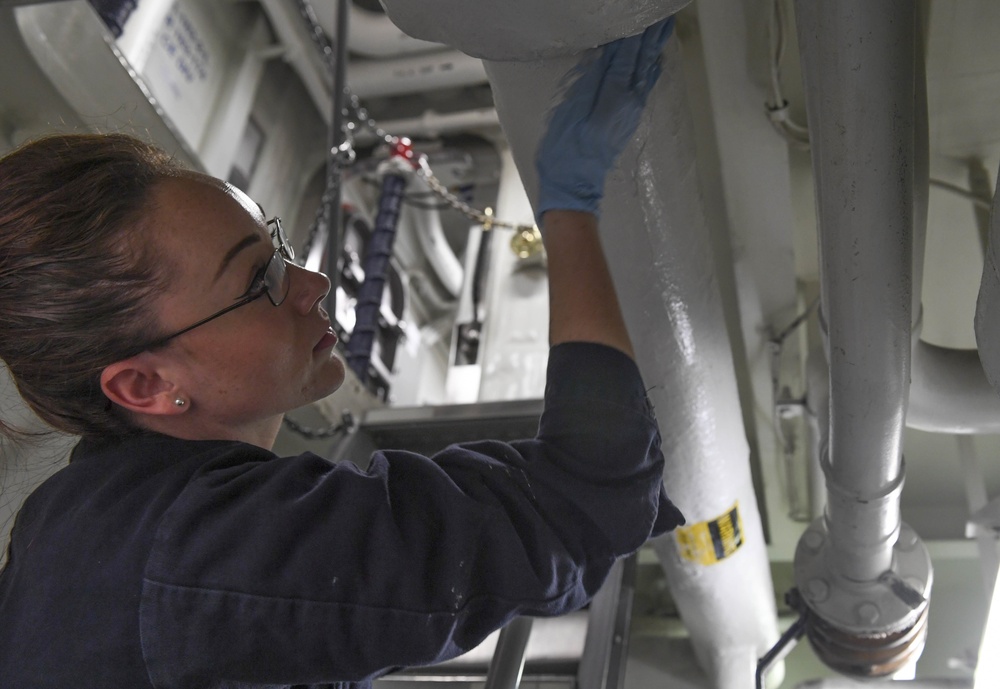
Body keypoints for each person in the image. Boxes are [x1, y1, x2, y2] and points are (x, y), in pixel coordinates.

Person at [0, 18, 683, 689]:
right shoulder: (203, 552)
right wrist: (569, 204)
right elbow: (589, 493)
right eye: (258, 281)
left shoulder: (83, 521)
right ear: (146, 384)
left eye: (278, 250)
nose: (312, 283)